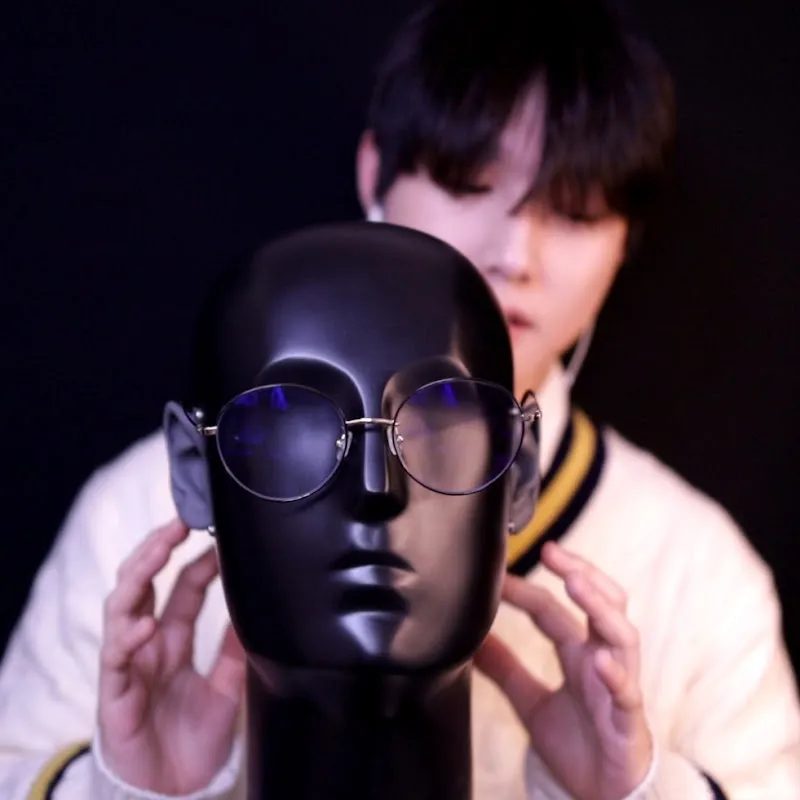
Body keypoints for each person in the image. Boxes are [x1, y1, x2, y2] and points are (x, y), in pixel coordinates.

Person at [1, 0, 798, 798]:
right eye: (469, 185)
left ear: (626, 243)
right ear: (373, 169)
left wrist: (642, 789)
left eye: (576, 212)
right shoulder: (136, 517)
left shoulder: (697, 572)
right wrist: (126, 784)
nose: (515, 254)